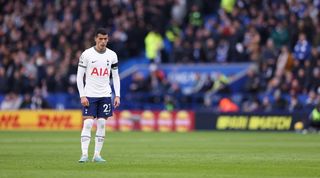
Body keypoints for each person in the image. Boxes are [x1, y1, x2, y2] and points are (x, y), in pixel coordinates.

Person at [76, 28, 121, 163]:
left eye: (105, 39)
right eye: (100, 39)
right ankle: (84, 154)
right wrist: (82, 95)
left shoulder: (112, 55)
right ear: (95, 39)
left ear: (108, 39)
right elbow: (79, 76)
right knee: (88, 123)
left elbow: (116, 76)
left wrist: (117, 95)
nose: (103, 41)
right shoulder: (87, 54)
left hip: (105, 95)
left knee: (101, 123)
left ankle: (97, 155)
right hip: (90, 94)